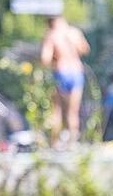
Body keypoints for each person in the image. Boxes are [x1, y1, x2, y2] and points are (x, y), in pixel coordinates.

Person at [39, 14, 91, 147]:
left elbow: (45, 58)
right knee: (73, 111)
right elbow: (85, 49)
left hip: (60, 72)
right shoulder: (74, 32)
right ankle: (72, 142)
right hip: (76, 71)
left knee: (56, 109)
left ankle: (54, 142)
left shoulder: (51, 35)